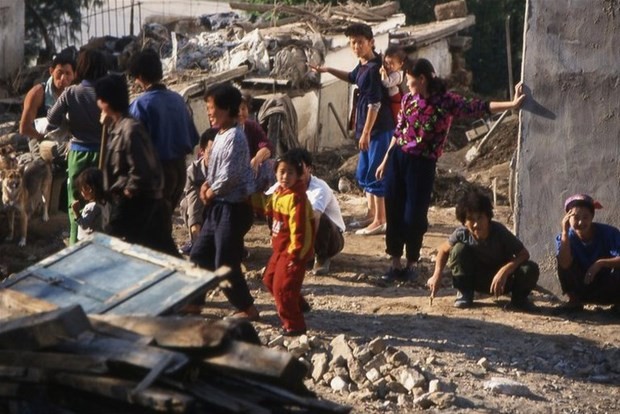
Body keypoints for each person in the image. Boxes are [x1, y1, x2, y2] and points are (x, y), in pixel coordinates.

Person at [376, 58, 526, 282]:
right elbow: (399, 132)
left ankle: (412, 262)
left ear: (422, 79)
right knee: (394, 209)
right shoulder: (408, 100)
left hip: (422, 164)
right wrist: (386, 159)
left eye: (410, 80)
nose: (407, 85)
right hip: (399, 159)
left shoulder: (445, 102)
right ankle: (395, 263)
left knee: (414, 215)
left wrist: (512, 105)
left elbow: (480, 107)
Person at [310, 23, 394, 236]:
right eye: (353, 42)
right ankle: (371, 214)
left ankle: (380, 220)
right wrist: (328, 70)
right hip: (367, 129)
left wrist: (366, 132)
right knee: (364, 172)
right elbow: (351, 77)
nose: (356, 46)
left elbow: (375, 104)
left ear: (371, 43)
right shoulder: (363, 65)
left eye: (360, 42)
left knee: (376, 172)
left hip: (378, 129)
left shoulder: (375, 69)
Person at [189, 83, 258, 321]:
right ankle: (194, 303)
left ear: (227, 108)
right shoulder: (219, 135)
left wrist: (211, 190)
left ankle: (247, 308)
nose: (209, 113)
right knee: (199, 254)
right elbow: (215, 171)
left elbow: (230, 176)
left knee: (225, 261)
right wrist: (207, 186)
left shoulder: (236, 137)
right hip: (218, 206)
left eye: (212, 108)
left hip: (233, 207)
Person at [94, 74, 178, 256]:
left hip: (136, 205)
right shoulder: (117, 127)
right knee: (158, 251)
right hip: (133, 204)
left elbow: (142, 168)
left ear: (106, 102)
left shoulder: (130, 129)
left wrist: (128, 191)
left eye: (100, 100)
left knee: (114, 247)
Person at [427, 190, 539, 310]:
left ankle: (519, 301)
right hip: (476, 279)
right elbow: (443, 250)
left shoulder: (499, 232)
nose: (476, 224)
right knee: (458, 250)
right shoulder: (462, 234)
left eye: (480, 218)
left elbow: (523, 254)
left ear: (488, 217)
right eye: (470, 219)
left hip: (502, 282)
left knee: (529, 268)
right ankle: (465, 294)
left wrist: (505, 271)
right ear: (464, 222)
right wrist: (436, 275)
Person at [47, 48, 108, 245]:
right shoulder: (107, 94)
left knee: (76, 205)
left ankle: (75, 247)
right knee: (102, 205)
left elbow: (52, 119)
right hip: (103, 154)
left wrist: (70, 123)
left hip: (78, 154)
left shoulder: (71, 92)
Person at [128, 48, 200, 212]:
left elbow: (133, 148)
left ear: (139, 77)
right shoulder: (178, 100)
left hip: (156, 174)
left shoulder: (140, 105)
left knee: (151, 226)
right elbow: (193, 138)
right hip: (180, 170)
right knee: (164, 221)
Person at [258, 151, 315, 336]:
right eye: (282, 172)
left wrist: (295, 256)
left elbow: (300, 231)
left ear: (299, 175)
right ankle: (298, 304)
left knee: (282, 288)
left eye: (290, 173)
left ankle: (294, 325)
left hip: (292, 253)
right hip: (280, 250)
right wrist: (246, 199)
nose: (285, 176)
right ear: (275, 173)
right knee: (269, 280)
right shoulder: (279, 193)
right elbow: (266, 205)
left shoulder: (297, 198)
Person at [267, 148, 345, 276]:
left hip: (331, 239)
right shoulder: (283, 185)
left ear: (309, 169)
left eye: (299, 168)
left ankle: (321, 257)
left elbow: (314, 219)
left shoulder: (319, 188)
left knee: (314, 215)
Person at [555, 194, 620, 312]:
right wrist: (564, 231)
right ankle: (574, 301)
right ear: (568, 218)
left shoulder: (609, 233)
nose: (580, 222)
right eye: (576, 217)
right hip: (581, 288)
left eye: (585, 217)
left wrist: (600, 263)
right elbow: (564, 263)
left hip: (607, 288)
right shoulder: (565, 238)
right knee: (561, 257)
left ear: (592, 217)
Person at [19, 48, 76, 144]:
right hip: (39, 140)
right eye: (60, 73)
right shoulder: (37, 93)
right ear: (51, 71)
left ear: (74, 75)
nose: (63, 78)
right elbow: (24, 128)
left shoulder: (75, 94)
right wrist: (44, 139)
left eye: (67, 74)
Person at [178, 128, 218, 255]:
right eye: (211, 152)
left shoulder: (225, 169)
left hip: (219, 210)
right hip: (199, 210)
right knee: (187, 202)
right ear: (202, 151)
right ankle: (195, 239)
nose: (216, 156)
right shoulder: (193, 170)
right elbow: (191, 196)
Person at [71, 167, 106, 241]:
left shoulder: (91, 207)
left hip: (87, 240)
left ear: (89, 189)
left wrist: (76, 212)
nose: (81, 193)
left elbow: (84, 225)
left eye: (82, 190)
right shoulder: (102, 203)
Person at [380, 46, 407, 125]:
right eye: (386, 63)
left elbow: (386, 83)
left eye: (392, 64)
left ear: (400, 64)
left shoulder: (397, 75)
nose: (388, 66)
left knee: (396, 120)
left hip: (395, 99)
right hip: (391, 98)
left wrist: (383, 73)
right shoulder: (393, 70)